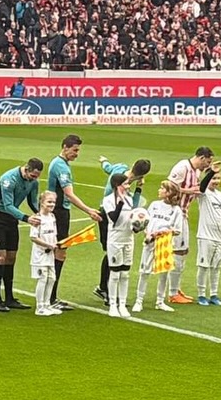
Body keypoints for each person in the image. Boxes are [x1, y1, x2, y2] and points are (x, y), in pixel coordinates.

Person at [47, 134, 102, 307]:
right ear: (65, 147)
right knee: (59, 252)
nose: (77, 153)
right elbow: (69, 194)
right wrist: (88, 210)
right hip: (59, 212)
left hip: (59, 212)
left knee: (57, 252)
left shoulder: (60, 164)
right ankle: (50, 297)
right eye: (75, 150)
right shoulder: (61, 167)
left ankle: (49, 296)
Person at [0, 158, 42, 312]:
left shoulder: (34, 183)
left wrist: (41, 214)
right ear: (26, 169)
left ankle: (9, 298)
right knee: (0, 257)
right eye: (32, 176)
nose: (33, 179)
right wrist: (26, 218)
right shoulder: (8, 179)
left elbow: (32, 202)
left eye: (36, 177)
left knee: (11, 257)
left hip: (12, 219)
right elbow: (8, 205)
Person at [95, 154, 150, 302]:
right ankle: (104, 288)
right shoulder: (122, 186)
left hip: (112, 215)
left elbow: (109, 168)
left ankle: (104, 288)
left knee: (110, 252)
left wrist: (104, 161)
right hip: (110, 215)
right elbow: (133, 205)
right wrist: (138, 190)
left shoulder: (120, 168)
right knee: (111, 252)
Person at [167, 146, 215, 305]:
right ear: (201, 157)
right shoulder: (182, 167)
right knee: (178, 251)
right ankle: (172, 292)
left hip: (184, 213)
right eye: (207, 162)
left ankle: (176, 288)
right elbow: (169, 188)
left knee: (183, 251)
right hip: (175, 213)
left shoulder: (197, 171)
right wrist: (190, 190)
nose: (206, 165)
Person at [136, 180, 183, 313]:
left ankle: (160, 301)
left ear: (169, 193)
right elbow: (146, 221)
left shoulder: (176, 210)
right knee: (144, 271)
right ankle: (139, 300)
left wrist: (160, 233)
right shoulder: (154, 205)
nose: (159, 190)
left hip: (165, 244)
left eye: (162, 188)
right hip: (149, 242)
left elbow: (177, 230)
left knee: (163, 273)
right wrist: (147, 233)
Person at [102, 171, 136, 319]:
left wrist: (138, 225)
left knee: (125, 273)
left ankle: (122, 303)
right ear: (117, 185)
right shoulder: (108, 200)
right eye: (126, 184)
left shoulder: (129, 199)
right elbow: (113, 218)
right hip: (115, 240)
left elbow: (131, 219)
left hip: (128, 239)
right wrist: (120, 201)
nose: (128, 186)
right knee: (115, 274)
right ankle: (113, 304)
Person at [195, 163, 221, 305]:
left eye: (218, 178)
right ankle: (201, 294)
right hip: (205, 236)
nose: (216, 181)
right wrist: (210, 173)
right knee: (204, 266)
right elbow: (201, 187)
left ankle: (214, 294)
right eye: (213, 178)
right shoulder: (203, 194)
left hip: (218, 237)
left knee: (216, 267)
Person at [28, 189, 61, 316]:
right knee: (43, 279)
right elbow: (33, 237)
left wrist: (56, 244)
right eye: (49, 202)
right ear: (42, 203)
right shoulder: (37, 218)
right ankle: (40, 306)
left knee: (51, 278)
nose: (52, 204)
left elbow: (54, 234)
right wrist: (48, 245)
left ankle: (47, 304)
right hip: (40, 255)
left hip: (50, 255)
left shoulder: (52, 217)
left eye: (53, 202)